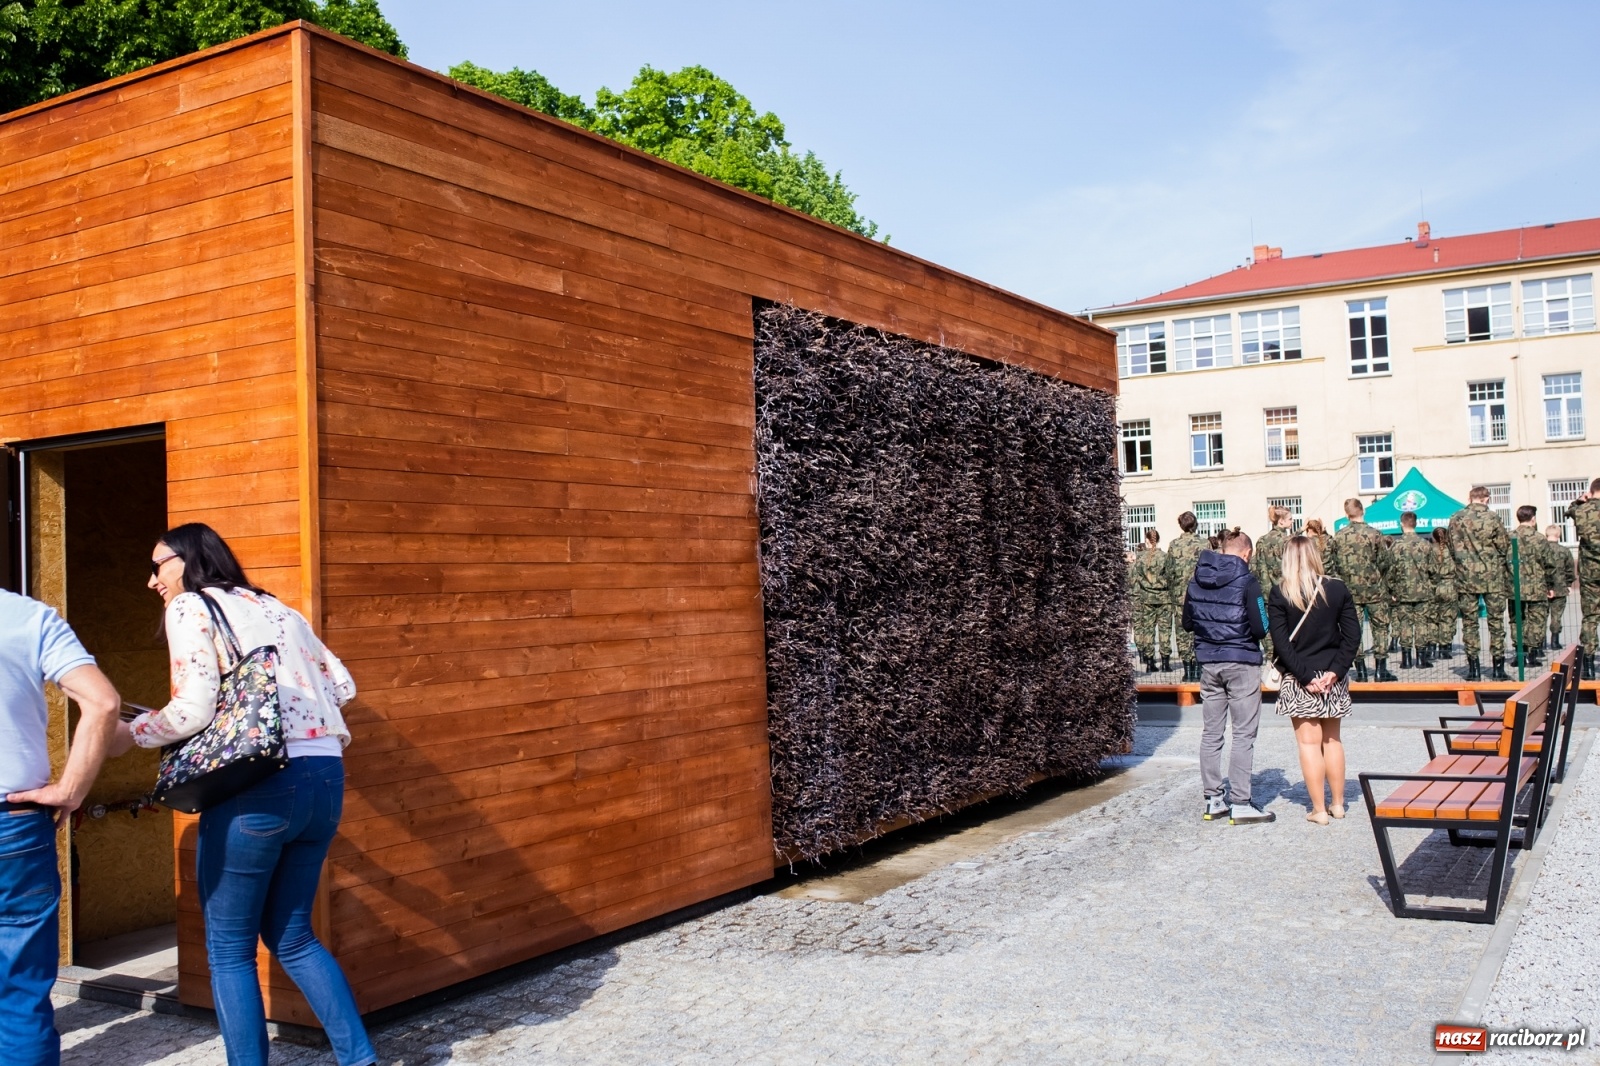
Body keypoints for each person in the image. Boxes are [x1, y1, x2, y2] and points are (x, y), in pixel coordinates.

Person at [122, 524, 375, 1066]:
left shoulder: (191, 606)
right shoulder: (279, 608)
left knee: (230, 952)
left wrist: (133, 731)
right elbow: (343, 686)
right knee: (294, 936)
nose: (152, 580)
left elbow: (192, 710)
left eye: (158, 565)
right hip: (324, 777)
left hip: (256, 785)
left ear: (188, 559)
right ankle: (361, 1060)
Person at [1, 590, 123, 1066]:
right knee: (20, 992)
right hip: (13, 824)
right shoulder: (29, 617)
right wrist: (72, 789)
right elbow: (103, 702)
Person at [1267, 536, 1362, 824]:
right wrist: (1336, 671)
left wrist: (1306, 677)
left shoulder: (1280, 592)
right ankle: (1339, 804)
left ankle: (1319, 810)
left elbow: (1281, 643)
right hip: (1333, 676)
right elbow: (1352, 636)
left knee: (1309, 745)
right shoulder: (1337, 588)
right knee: (1333, 740)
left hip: (1299, 676)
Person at [1182, 528, 1274, 825]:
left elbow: (1187, 622)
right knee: (1243, 734)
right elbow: (1261, 627)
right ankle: (1241, 802)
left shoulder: (1196, 578)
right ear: (1246, 554)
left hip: (1209, 662)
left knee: (1211, 733)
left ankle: (1213, 799)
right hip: (1242, 660)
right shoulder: (1248, 581)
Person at [1327, 498, 1397, 682]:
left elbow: (1332, 564)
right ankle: (1381, 670)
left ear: (1347, 514)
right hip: (1374, 589)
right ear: (1362, 511)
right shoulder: (1375, 534)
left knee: (1352, 631)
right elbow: (1385, 561)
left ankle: (1361, 671)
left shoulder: (1339, 536)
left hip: (1349, 591)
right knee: (1380, 628)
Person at [1450, 485, 1513, 681]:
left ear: (1470, 498)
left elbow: (1451, 547)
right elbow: (1504, 546)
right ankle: (1498, 669)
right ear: (1486, 499)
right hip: (1491, 576)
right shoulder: (1492, 517)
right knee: (1496, 623)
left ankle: (1474, 670)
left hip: (1466, 576)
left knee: (1469, 623)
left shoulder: (1456, 518)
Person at [1509, 506, 1555, 670]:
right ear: (1533, 519)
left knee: (1517, 620)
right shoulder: (1540, 538)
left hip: (1515, 586)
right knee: (1537, 620)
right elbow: (1549, 564)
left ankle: (1519, 654)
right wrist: (1550, 585)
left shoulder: (1509, 537)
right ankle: (1532, 654)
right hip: (1536, 586)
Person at [1388, 511, 1435, 669]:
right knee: (1422, 624)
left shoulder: (1396, 545)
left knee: (1405, 624)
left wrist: (1392, 591)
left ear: (1402, 524)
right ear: (1416, 523)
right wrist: (1429, 585)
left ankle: (1406, 660)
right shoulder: (1425, 544)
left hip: (1402, 592)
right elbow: (1434, 570)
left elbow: (1390, 571)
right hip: (1422, 592)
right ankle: (1421, 660)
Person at [1565, 480, 1600, 677]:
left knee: (1590, 616)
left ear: (1591, 491)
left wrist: (1579, 501)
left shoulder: (1581, 510)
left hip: (1590, 572)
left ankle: (1588, 666)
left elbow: (1569, 510)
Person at [1251, 506, 1295, 663]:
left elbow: (1255, 565)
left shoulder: (1261, 540)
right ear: (1281, 521)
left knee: (1269, 629)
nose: (1292, 521)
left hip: (1265, 591)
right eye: (1290, 519)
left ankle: (1272, 660)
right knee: (1287, 628)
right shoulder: (1287, 541)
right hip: (1285, 590)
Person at [1167, 512, 1206, 682]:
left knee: (1183, 632)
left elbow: (1169, 572)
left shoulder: (1174, 545)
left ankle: (1187, 671)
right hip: (1201, 595)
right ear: (1195, 524)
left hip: (1180, 596)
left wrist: (1174, 591)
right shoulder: (1204, 543)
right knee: (1200, 630)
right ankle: (1198, 669)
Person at [1128, 529, 1173, 673]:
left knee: (1148, 630)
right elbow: (1171, 576)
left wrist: (1147, 586)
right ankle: (1165, 663)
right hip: (1164, 598)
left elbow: (1137, 577)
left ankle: (1149, 662)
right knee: (1165, 630)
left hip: (1146, 598)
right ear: (1158, 540)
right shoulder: (1165, 557)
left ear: (1147, 540)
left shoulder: (1141, 558)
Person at [1430, 528, 1458, 661]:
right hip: (1450, 586)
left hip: (1433, 587)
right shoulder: (1452, 551)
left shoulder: (1430, 550)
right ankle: (1444, 649)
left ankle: (1431, 649)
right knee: (1447, 618)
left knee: (1432, 619)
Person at [1546, 525, 1575, 651]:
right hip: (1560, 588)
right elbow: (1570, 569)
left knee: (1540, 616)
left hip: (1543, 588)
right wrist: (1569, 584)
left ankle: (1538, 646)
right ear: (1559, 535)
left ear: (1546, 534)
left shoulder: (1541, 549)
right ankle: (1555, 642)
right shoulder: (1564, 551)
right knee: (1556, 616)